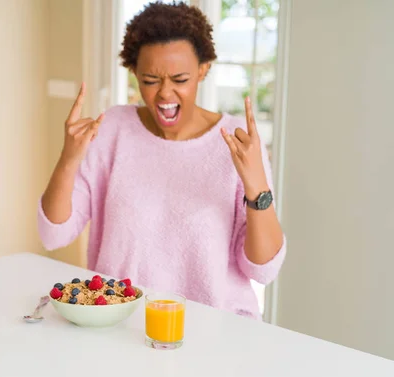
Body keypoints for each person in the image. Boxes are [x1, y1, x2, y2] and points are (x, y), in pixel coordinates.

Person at [37, 1, 286, 320]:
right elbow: (53, 235)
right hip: (121, 324)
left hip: (215, 331)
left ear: (203, 69)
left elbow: (263, 269)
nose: (165, 94)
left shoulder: (238, 139)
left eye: (180, 79)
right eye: (150, 80)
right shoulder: (113, 129)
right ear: (134, 74)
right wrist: (68, 159)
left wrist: (257, 188)